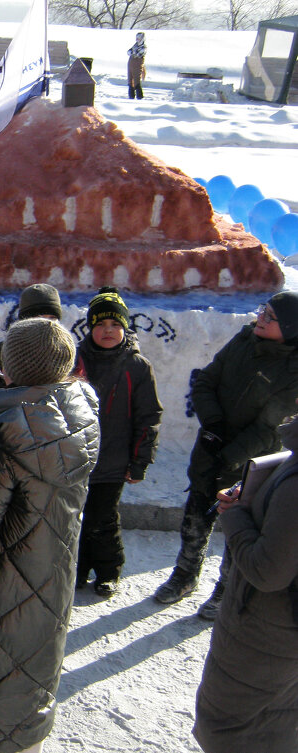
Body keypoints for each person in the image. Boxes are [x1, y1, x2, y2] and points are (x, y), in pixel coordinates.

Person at [0, 318, 100, 753]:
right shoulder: (79, 414)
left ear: (12, 365)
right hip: (53, 569)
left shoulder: (5, 434)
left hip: (0, 580)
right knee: (33, 666)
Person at [154, 292, 298, 617]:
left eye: (271, 316)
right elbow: (206, 380)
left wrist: (228, 455)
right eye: (264, 310)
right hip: (211, 445)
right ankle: (185, 575)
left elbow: (270, 428)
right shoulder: (244, 339)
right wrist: (214, 425)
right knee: (195, 519)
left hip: (250, 464)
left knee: (238, 529)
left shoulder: (293, 370)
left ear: (289, 327)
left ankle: (226, 589)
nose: (261, 317)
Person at [192, 412, 298, 753]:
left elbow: (268, 572)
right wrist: (255, 497)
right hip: (276, 637)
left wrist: (234, 514)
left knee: (229, 731)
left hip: (266, 636)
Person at [74, 287, 162, 597]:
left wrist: (139, 462)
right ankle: (79, 568)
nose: (108, 331)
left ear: (125, 327)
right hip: (76, 459)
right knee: (77, 517)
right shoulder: (76, 360)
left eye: (114, 325)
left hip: (113, 461)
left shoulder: (136, 366)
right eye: (100, 325)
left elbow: (148, 416)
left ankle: (109, 570)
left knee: (103, 519)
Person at [0, 283, 65, 389]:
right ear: (25, 320)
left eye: (52, 318)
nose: (46, 323)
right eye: (38, 318)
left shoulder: (65, 353)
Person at [127, 31, 146, 100]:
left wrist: (133, 53)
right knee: (130, 81)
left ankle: (139, 97)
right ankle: (131, 97)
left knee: (137, 81)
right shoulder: (135, 45)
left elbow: (138, 54)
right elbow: (129, 52)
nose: (137, 39)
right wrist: (132, 52)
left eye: (139, 38)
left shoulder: (143, 47)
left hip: (137, 65)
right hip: (131, 64)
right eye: (137, 38)